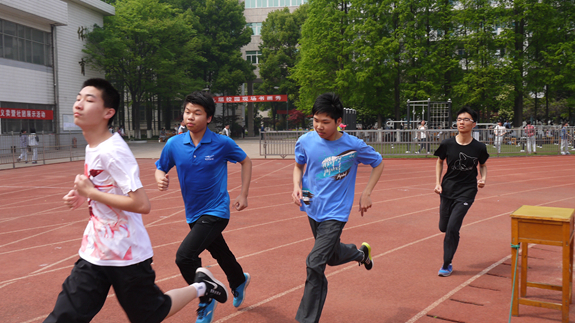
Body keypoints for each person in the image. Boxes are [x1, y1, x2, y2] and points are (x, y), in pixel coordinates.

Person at [44, 78, 229, 323]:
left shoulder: (114, 150)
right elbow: (103, 184)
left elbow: (142, 204)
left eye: (89, 100)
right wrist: (83, 194)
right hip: (95, 253)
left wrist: (91, 193)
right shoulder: (94, 146)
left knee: (152, 313)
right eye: (79, 98)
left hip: (126, 253)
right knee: (63, 318)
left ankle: (201, 287)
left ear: (108, 112)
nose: (78, 104)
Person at [155, 91, 252, 323]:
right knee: (220, 252)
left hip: (217, 210)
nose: (190, 117)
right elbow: (161, 166)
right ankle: (239, 280)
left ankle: (205, 298)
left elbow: (246, 161)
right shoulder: (174, 144)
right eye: (187, 112)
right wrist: (160, 177)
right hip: (193, 212)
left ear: (208, 118)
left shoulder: (221, 143)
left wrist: (243, 194)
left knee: (185, 257)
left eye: (197, 113)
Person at [292, 93, 384, 323]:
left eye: (325, 122)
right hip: (312, 205)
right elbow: (298, 165)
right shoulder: (305, 141)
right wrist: (296, 186)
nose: (319, 126)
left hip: (336, 212)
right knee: (331, 258)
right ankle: (360, 254)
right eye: (315, 120)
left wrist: (367, 192)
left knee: (315, 262)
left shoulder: (353, 145)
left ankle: (306, 320)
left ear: (338, 121)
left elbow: (378, 162)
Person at [434, 107, 489, 277]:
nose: (461, 122)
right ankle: (449, 237)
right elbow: (439, 162)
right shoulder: (447, 144)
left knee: (452, 227)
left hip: (467, 191)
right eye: (459, 119)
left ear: (473, 124)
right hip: (448, 188)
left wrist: (483, 178)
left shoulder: (479, 147)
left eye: (465, 119)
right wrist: (437, 183)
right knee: (443, 227)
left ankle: (446, 263)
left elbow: (483, 165)